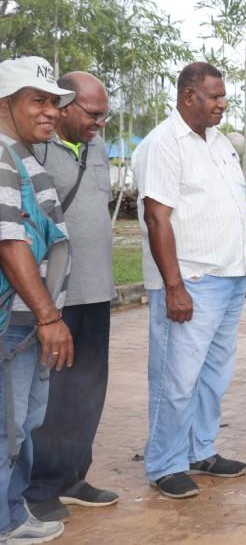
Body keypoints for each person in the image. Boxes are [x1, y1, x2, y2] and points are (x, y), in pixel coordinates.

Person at [134, 61, 246, 500]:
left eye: (223, 96)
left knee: (213, 375)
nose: (222, 103)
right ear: (189, 96)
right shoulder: (163, 144)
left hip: (227, 276)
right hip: (190, 279)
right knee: (176, 377)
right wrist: (174, 286)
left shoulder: (221, 142)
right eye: (215, 96)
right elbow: (155, 217)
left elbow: (229, 207)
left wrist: (242, 267)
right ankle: (165, 464)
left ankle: (199, 450)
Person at [26, 72, 118, 522]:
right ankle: (39, 486)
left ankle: (74, 476)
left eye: (104, 114)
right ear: (64, 106)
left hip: (96, 289)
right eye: (92, 113)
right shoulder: (35, 149)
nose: (100, 122)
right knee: (53, 395)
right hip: (55, 295)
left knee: (88, 389)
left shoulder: (98, 147)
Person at [0, 56, 75, 545]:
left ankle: (11, 514)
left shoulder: (22, 153)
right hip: (17, 321)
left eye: (53, 102)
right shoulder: (2, 158)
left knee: (22, 424)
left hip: (29, 322)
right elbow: (10, 242)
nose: (50, 112)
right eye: (38, 101)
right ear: (5, 103)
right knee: (7, 429)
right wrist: (48, 315)